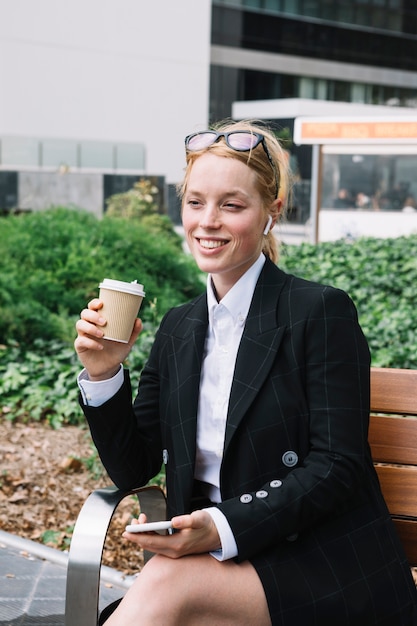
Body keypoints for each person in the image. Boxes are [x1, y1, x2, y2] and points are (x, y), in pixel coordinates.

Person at [74, 120, 417, 626]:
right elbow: (132, 468)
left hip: (316, 560)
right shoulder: (179, 327)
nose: (207, 222)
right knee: (163, 587)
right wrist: (104, 374)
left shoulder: (319, 311)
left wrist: (219, 526)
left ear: (271, 211)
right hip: (213, 560)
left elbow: (335, 467)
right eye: (195, 203)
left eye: (231, 206)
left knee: (163, 587)